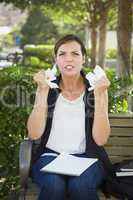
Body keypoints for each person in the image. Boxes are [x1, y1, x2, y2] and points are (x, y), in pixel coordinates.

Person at [27, 34, 111, 200]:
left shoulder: (97, 89)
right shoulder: (47, 88)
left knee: (80, 185)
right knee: (54, 184)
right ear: (56, 60)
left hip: (87, 159)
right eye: (62, 54)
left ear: (83, 59)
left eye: (75, 54)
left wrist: (100, 95)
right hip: (49, 157)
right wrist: (42, 91)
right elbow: (34, 134)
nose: (68, 59)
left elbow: (100, 140)